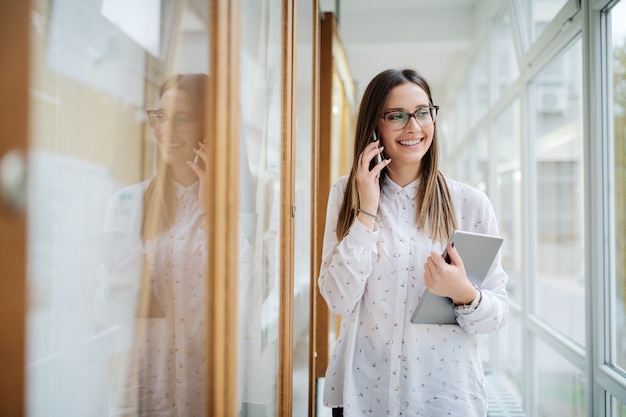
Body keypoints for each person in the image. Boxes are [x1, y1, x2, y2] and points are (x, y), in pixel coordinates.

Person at [318, 68, 510, 417]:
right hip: (364, 396)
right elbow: (337, 298)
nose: (414, 126)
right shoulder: (344, 194)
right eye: (397, 116)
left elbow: (497, 317)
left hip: (443, 398)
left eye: (423, 112)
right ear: (375, 125)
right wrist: (367, 211)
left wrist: (464, 293)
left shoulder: (469, 204)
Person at [94, 73, 210, 416]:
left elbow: (244, 302)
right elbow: (100, 313)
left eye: (182, 119)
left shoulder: (231, 209)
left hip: (204, 389)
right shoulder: (126, 203)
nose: (166, 131)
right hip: (141, 389)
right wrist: (117, 289)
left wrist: (211, 212)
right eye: (160, 117)